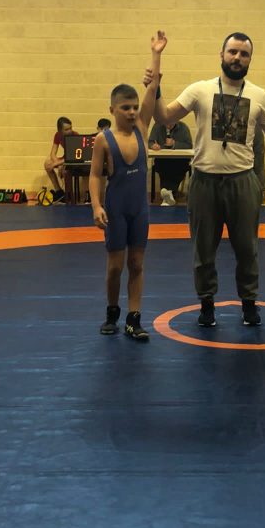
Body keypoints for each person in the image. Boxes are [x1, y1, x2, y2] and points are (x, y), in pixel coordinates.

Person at [153, 32, 265, 328]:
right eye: (233, 52)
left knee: (247, 249)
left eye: (244, 54)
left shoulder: (258, 95)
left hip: (243, 182)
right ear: (222, 54)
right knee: (203, 249)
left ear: (250, 60)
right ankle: (206, 304)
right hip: (204, 182)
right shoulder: (200, 90)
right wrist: (156, 86)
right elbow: (164, 116)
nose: (237, 58)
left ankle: (249, 303)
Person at [89, 32, 167, 341]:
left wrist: (156, 54)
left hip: (139, 209)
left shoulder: (142, 129)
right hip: (116, 209)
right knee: (115, 267)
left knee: (137, 263)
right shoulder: (103, 140)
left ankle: (134, 319)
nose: (133, 112)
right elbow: (95, 176)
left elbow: (153, 89)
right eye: (125, 108)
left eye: (135, 107)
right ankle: (112, 312)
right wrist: (96, 206)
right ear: (112, 110)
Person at [148, 116, 193, 205]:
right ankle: (170, 193)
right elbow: (150, 142)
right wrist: (153, 146)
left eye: (171, 123)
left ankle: (167, 192)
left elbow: (189, 145)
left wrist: (174, 144)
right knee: (164, 165)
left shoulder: (184, 128)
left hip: (179, 160)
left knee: (177, 166)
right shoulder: (157, 126)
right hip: (163, 159)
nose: (168, 125)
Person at [44, 116, 73, 203]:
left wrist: (59, 164)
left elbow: (72, 157)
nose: (70, 131)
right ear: (60, 130)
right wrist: (58, 163)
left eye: (70, 128)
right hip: (65, 158)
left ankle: (69, 194)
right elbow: (53, 153)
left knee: (65, 170)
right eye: (67, 129)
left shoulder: (74, 135)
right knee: (47, 164)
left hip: (72, 160)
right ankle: (59, 192)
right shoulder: (57, 135)